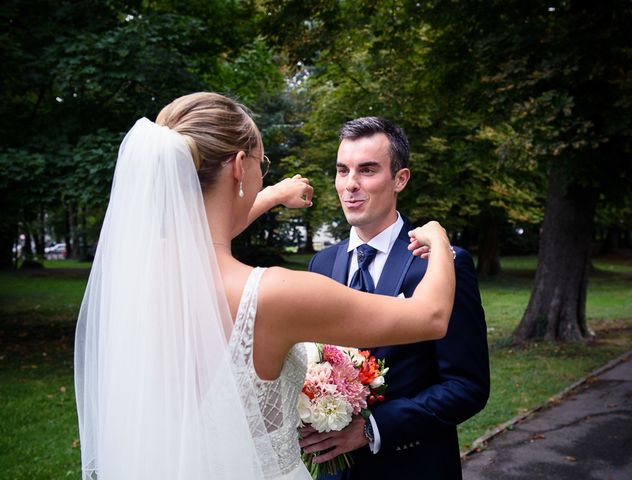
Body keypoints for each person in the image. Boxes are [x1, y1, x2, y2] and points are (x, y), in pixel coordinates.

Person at [74, 93, 457, 480]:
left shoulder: (143, 271)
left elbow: (206, 232)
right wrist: (440, 241)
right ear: (240, 166)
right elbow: (432, 315)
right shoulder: (273, 293)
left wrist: (272, 195)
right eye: (263, 163)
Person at [300, 117, 490, 480]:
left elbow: (468, 386)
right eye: (343, 170)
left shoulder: (443, 263)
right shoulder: (321, 263)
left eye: (367, 170)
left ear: (400, 179)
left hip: (411, 467)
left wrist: (372, 429)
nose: (350, 185)